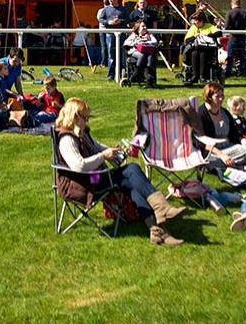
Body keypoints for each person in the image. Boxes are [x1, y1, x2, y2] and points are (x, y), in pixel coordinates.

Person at [55, 97, 185, 246]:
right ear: (75, 116)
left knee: (132, 182)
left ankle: (157, 229)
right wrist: (103, 156)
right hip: (83, 185)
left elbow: (97, 147)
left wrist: (118, 152)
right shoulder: (67, 139)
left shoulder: (81, 132)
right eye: (85, 118)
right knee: (132, 171)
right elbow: (79, 166)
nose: (87, 121)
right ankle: (161, 210)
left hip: (93, 177)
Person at [196, 82, 246, 170]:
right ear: (209, 97)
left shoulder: (224, 113)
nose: (221, 99)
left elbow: (234, 135)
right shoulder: (201, 114)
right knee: (210, 162)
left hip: (229, 147)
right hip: (212, 151)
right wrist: (221, 155)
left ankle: (230, 167)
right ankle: (240, 167)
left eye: (222, 95)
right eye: (217, 96)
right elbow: (201, 142)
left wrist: (245, 141)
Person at [182, 11, 221, 84]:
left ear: (202, 20)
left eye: (196, 21)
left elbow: (219, 33)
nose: (195, 22)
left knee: (203, 54)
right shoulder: (193, 27)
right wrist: (194, 36)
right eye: (194, 21)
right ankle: (194, 76)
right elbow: (187, 40)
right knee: (194, 54)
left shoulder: (209, 26)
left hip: (208, 50)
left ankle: (202, 76)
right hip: (196, 48)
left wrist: (207, 35)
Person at [97, 0, 128, 81]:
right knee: (111, 55)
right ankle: (111, 75)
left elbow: (128, 19)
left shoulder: (123, 9)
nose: (111, 0)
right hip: (110, 34)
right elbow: (101, 19)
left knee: (122, 54)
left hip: (121, 34)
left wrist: (120, 21)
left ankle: (122, 74)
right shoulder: (105, 9)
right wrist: (109, 22)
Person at [123, 21, 158, 86]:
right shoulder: (134, 35)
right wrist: (136, 43)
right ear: (138, 28)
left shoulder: (149, 35)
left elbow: (155, 41)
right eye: (143, 26)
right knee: (142, 55)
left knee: (150, 57)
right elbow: (126, 43)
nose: (145, 27)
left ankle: (148, 77)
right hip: (135, 52)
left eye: (145, 26)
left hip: (147, 51)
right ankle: (136, 73)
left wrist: (145, 43)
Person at [224, 0, 246, 77]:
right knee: (242, 55)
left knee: (230, 55)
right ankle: (242, 72)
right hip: (242, 37)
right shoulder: (245, 13)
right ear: (239, 3)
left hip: (233, 37)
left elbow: (226, 27)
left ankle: (228, 72)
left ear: (232, 4)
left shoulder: (230, 13)